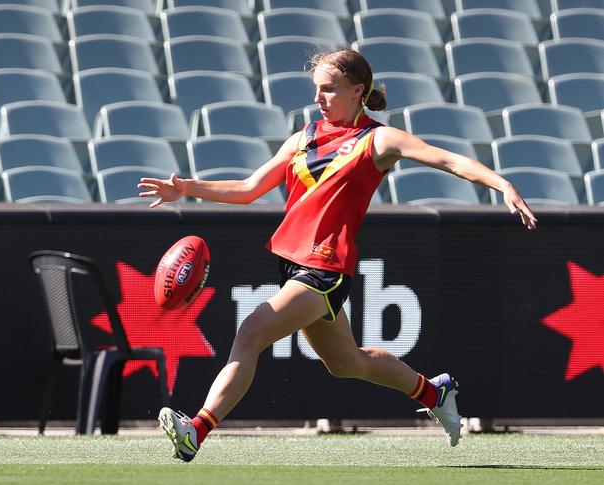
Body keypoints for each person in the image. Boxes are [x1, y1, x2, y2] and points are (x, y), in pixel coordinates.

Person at [137, 48, 537, 462]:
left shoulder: (378, 139)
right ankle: (435, 391)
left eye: (329, 89)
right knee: (348, 364)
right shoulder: (303, 137)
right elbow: (249, 188)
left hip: (325, 268)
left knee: (251, 333)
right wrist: (186, 187)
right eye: (316, 90)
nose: (319, 98)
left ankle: (195, 432)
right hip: (295, 264)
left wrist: (501, 183)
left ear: (357, 91)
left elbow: (449, 159)